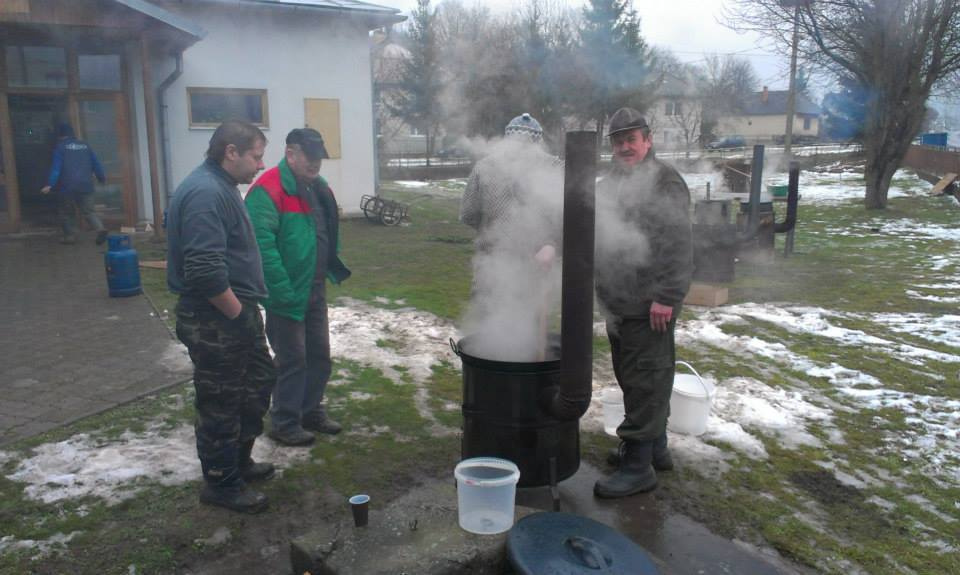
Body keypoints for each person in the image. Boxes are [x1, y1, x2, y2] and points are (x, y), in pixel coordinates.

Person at [166, 120, 276, 514]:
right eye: (256, 156)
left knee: (256, 383)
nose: (261, 165)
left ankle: (238, 462)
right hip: (215, 318)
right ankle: (221, 482)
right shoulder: (205, 193)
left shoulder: (221, 186)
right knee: (221, 402)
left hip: (234, 315)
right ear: (231, 152)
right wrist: (237, 314)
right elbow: (204, 270)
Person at [593, 107, 693, 499]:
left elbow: (679, 243)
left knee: (646, 377)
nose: (624, 147)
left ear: (648, 141)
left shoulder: (665, 182)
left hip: (650, 301)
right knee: (634, 377)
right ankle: (656, 449)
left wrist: (667, 296)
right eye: (618, 141)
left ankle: (638, 468)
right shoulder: (610, 184)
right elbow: (591, 223)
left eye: (631, 139)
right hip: (619, 301)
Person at [245, 128, 351, 447]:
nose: (315, 162)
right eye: (309, 156)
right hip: (286, 292)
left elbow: (325, 231)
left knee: (319, 356)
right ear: (290, 154)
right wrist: (281, 292)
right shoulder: (267, 190)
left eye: (319, 157)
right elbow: (262, 249)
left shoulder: (318, 188)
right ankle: (284, 421)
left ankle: (310, 410)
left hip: (314, 288)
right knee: (292, 360)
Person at [459, 113, 563, 361]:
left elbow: (469, 215)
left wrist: (551, 244)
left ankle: (502, 378)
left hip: (518, 269)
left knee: (500, 336)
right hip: (501, 270)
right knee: (510, 333)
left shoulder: (553, 168)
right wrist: (550, 241)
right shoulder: (553, 167)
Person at [41, 123, 108, 245]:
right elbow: (96, 163)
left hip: (67, 187)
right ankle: (100, 229)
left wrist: (50, 184)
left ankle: (70, 236)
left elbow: (56, 169)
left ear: (61, 135)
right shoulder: (85, 146)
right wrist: (101, 177)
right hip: (86, 185)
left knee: (66, 213)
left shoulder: (60, 147)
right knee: (89, 212)